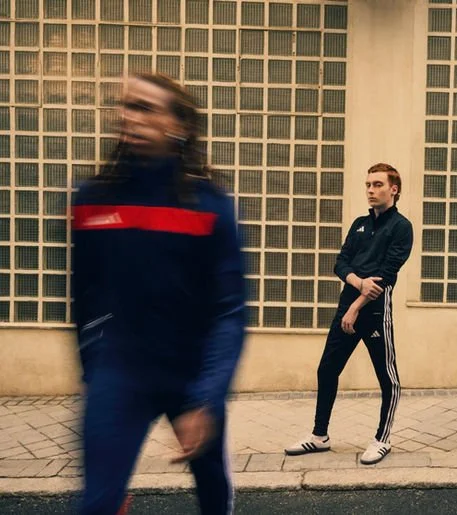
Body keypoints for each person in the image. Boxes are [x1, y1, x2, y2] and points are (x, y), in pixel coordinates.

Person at [71, 73, 246, 515]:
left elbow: (229, 312)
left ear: (179, 126)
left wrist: (206, 398)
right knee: (96, 504)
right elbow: (84, 294)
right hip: (121, 373)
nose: (128, 116)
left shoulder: (211, 207)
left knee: (213, 495)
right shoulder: (92, 200)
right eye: (126, 105)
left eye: (145, 107)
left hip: (193, 374)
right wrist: (95, 367)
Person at [285, 163, 413, 465]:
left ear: (393, 189)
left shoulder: (401, 227)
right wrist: (356, 282)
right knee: (326, 370)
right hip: (347, 309)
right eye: (368, 184)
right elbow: (340, 263)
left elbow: (384, 277)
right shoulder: (359, 224)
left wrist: (356, 307)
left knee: (388, 379)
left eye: (378, 184)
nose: (371, 190)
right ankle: (319, 436)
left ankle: (382, 439)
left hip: (373, 314)